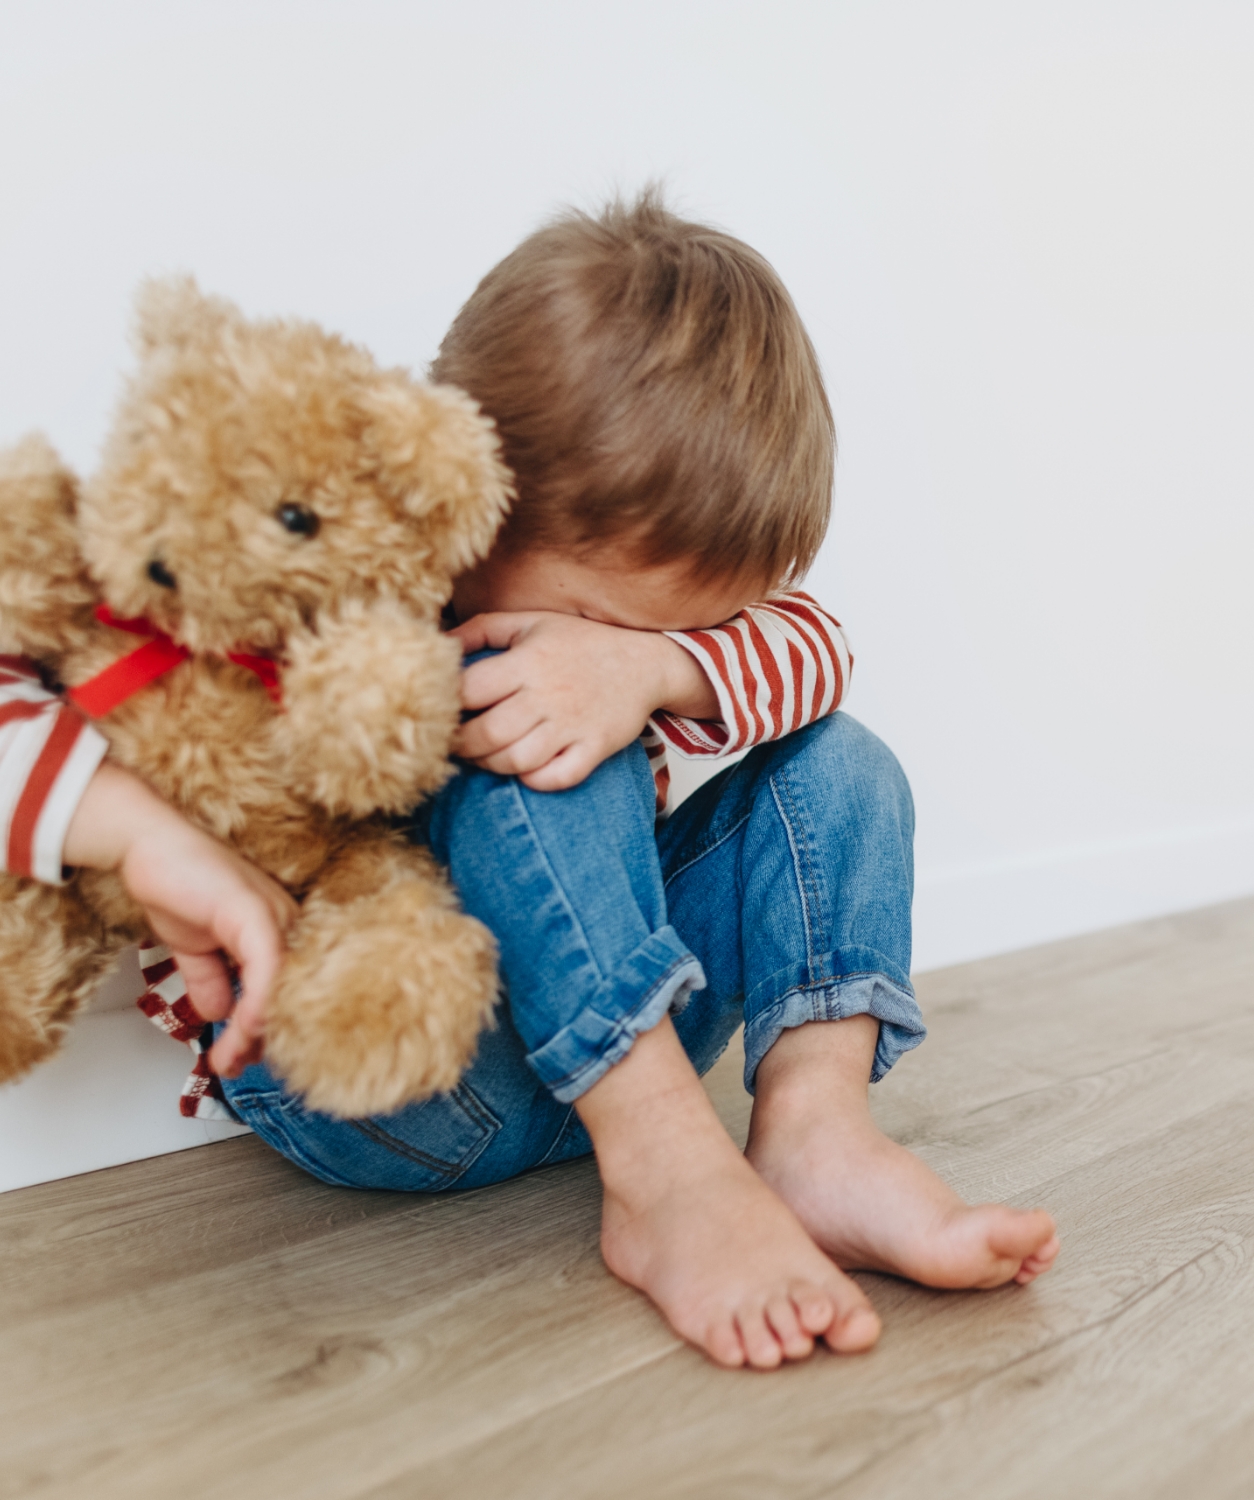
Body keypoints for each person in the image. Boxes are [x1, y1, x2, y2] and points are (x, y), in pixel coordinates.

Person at [0, 194, 1059, 1370]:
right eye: (599, 615)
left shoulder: (648, 645)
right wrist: (146, 838)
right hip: (391, 1079)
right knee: (538, 737)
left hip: (634, 1014)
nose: (602, 658)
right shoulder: (323, 557)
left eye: (696, 625)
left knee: (842, 759)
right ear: (476, 503)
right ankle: (663, 1171)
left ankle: (813, 1134)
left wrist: (650, 665)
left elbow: (815, 649)